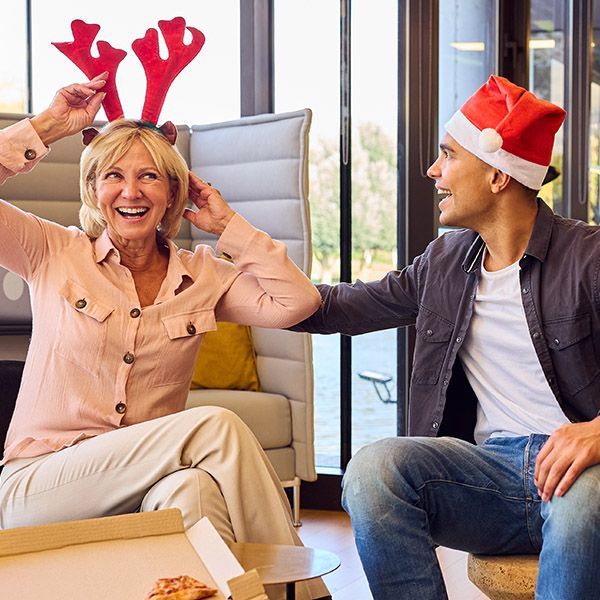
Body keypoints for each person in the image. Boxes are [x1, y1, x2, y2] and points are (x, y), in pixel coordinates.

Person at [0, 76, 329, 600]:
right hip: (39, 485)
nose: (130, 192)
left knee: (194, 490)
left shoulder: (202, 275)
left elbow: (298, 303)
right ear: (92, 189)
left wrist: (229, 226)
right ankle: (305, 596)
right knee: (215, 426)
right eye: (113, 176)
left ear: (173, 192)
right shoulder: (51, 250)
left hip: (147, 484)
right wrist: (46, 126)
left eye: (149, 176)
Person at [292, 75, 600, 599]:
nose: (434, 171)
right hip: (489, 480)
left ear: (499, 175)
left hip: (584, 477)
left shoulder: (589, 257)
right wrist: (231, 237)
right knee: (374, 471)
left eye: (448, 155)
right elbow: (334, 306)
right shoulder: (445, 261)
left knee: (585, 494)